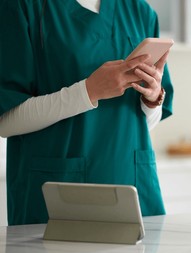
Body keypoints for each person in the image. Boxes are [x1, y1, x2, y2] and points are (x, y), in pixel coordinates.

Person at [0, 0, 174, 225]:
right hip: (59, 193)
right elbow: (5, 121)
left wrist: (152, 99)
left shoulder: (139, 10)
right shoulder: (22, 6)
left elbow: (143, 124)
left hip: (134, 187)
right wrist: (88, 91)